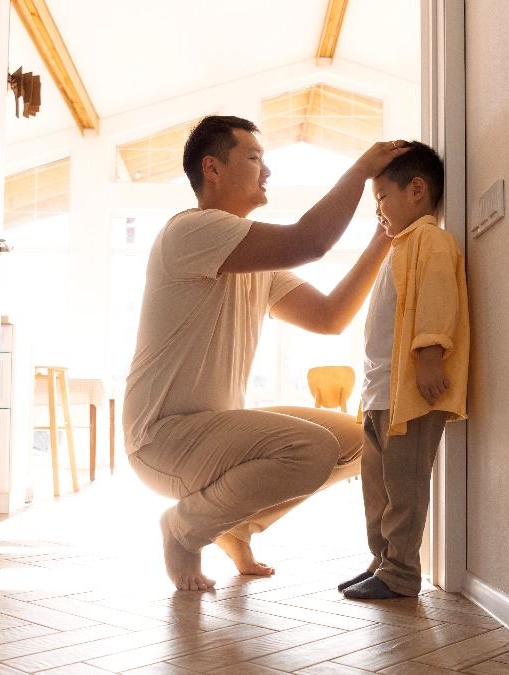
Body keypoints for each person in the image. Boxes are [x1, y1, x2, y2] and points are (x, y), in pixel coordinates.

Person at [123, 115, 410, 591]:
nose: (267, 172)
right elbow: (310, 241)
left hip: (208, 434)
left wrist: (385, 236)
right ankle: (183, 529)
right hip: (161, 439)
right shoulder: (192, 231)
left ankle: (236, 525)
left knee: (356, 439)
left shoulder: (253, 260)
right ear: (212, 170)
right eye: (254, 158)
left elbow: (329, 316)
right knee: (312, 448)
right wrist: (361, 169)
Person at [338, 141, 470, 600]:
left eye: (381, 198)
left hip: (409, 396)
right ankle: (381, 561)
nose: (378, 210)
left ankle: (400, 573)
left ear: (417, 190)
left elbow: (437, 298)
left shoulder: (431, 242)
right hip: (380, 393)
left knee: (404, 487)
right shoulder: (399, 246)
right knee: (377, 487)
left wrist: (430, 354)